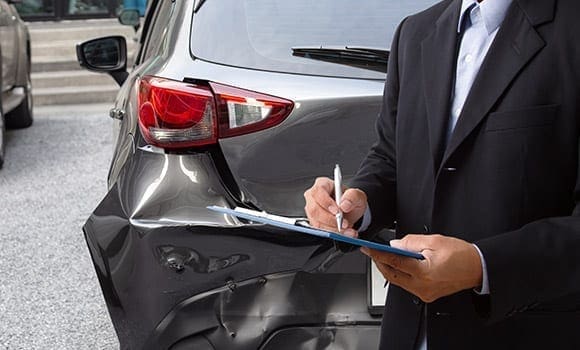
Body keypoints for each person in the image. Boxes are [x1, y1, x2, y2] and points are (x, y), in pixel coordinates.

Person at [303, 0, 580, 349]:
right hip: (410, 332)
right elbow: (391, 156)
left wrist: (482, 266)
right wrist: (357, 203)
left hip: (524, 332)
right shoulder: (415, 31)